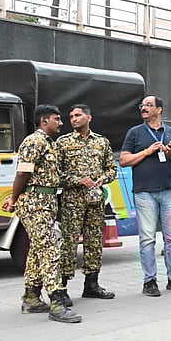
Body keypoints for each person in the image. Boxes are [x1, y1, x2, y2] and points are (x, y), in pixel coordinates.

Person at [1, 104, 78, 323]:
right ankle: (56, 302)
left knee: (37, 250)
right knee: (50, 249)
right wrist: (14, 199)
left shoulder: (48, 143)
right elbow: (22, 175)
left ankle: (31, 298)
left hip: (46, 202)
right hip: (35, 203)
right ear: (44, 121)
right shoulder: (34, 142)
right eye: (57, 119)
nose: (61, 123)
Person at [119, 95, 171, 296]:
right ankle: (150, 281)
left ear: (159, 109)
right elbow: (124, 160)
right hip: (144, 193)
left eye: (148, 105)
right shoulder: (135, 133)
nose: (143, 108)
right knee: (147, 239)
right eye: (142, 105)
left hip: (169, 191)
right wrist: (146, 152)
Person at [56, 104, 117, 301]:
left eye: (78, 115)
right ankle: (62, 287)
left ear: (89, 118)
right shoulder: (62, 143)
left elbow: (111, 169)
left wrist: (103, 178)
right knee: (69, 243)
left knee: (93, 242)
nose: (73, 119)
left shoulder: (101, 142)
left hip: (95, 201)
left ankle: (92, 284)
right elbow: (55, 174)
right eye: (71, 116)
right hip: (72, 202)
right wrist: (76, 180)